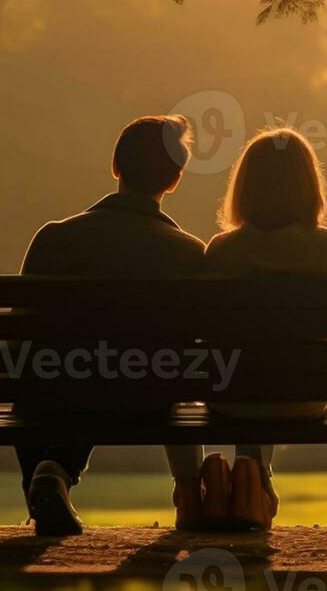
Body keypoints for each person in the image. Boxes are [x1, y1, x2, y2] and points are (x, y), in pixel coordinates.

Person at [14, 115, 205, 536]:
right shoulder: (190, 253)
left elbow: (19, 333)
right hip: (145, 392)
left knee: (49, 372)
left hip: (58, 386)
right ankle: (53, 476)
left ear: (115, 167)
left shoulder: (54, 238)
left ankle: (44, 480)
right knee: (117, 370)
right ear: (174, 181)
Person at [166, 127, 327, 531]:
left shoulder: (221, 251)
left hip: (231, 398)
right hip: (303, 399)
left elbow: (204, 337)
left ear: (244, 187)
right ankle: (254, 482)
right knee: (276, 371)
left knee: (249, 371)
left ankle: (241, 483)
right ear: (310, 185)